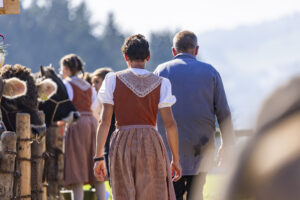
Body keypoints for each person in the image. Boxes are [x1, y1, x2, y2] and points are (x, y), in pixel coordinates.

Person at [94, 34, 182, 200]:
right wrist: (175, 159)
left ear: (126, 56)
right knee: (152, 193)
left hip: (122, 142)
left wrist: (98, 156)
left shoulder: (113, 80)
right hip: (151, 141)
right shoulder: (162, 83)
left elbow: (104, 121)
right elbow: (170, 124)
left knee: (124, 193)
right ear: (148, 57)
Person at [154, 30, 235, 200]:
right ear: (196, 50)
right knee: (196, 193)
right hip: (201, 146)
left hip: (169, 147)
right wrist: (227, 144)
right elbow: (223, 112)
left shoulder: (161, 71)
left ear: (174, 51)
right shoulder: (210, 72)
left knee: (172, 194)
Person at [60, 54, 105, 200]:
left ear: (66, 69)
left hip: (76, 123)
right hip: (91, 123)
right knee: (94, 165)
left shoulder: (66, 84)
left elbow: (67, 105)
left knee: (76, 167)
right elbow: (93, 106)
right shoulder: (88, 86)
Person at [90, 67, 115, 179]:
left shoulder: (102, 96)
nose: (94, 86)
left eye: (97, 82)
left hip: (108, 137)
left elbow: (94, 112)